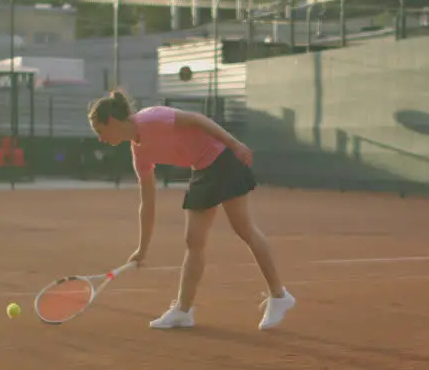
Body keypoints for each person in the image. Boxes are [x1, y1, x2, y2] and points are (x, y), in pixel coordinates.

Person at [88, 90, 296, 331]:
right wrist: (141, 249)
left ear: (112, 122)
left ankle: (279, 296)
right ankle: (183, 312)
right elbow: (147, 202)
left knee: (244, 229)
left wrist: (234, 143)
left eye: (100, 132)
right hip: (203, 169)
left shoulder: (152, 118)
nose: (101, 139)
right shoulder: (138, 153)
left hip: (223, 157)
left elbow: (197, 119)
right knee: (194, 240)